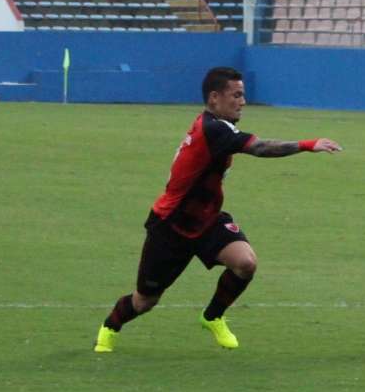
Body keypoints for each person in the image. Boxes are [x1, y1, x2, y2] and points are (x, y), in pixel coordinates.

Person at [93, 67, 342, 353]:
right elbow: (260, 148)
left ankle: (212, 316)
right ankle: (110, 327)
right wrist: (309, 145)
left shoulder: (216, 126)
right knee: (145, 300)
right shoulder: (213, 130)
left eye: (243, 95)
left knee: (245, 263)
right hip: (171, 226)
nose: (243, 101)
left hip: (207, 220)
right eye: (236, 95)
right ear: (214, 98)